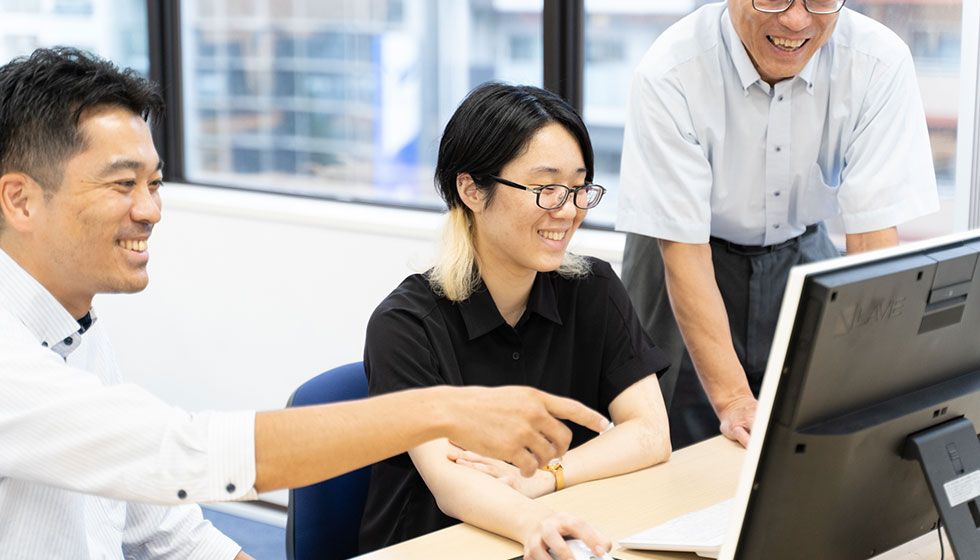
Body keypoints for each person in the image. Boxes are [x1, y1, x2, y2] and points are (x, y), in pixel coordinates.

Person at [0, 47, 613, 559]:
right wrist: (440, 410)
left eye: (155, 183)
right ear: (21, 200)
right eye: (121, 183)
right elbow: (181, 454)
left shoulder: (75, 333)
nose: (151, 210)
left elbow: (163, 528)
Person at [357, 82, 672, 560]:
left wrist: (548, 477)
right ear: (471, 190)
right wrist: (537, 520)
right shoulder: (404, 325)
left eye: (578, 188)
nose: (567, 211)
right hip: (437, 545)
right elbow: (450, 483)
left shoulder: (593, 288)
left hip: (554, 532)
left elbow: (650, 434)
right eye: (546, 189)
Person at [616, 0, 941, 450]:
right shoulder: (671, 70)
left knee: (806, 438)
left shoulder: (878, 61)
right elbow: (685, 252)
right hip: (681, 260)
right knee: (673, 444)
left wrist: (870, 386)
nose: (795, 19)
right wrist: (732, 401)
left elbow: (871, 240)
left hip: (801, 252)